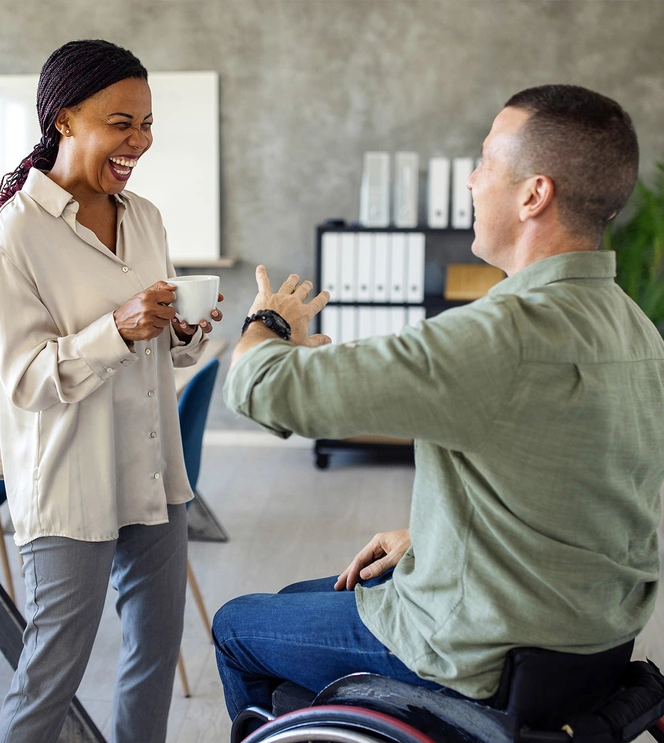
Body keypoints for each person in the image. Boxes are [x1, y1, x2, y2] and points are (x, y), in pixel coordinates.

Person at [212, 84, 664, 719]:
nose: (473, 181)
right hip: (587, 644)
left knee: (237, 625)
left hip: (472, 650)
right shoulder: (636, 329)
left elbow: (259, 387)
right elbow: (577, 486)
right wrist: (430, 537)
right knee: (303, 596)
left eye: (484, 162)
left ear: (534, 194)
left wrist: (269, 321)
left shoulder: (499, 336)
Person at [0, 39, 223, 743]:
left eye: (147, 125)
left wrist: (185, 329)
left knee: (151, 659)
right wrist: (114, 328)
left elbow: (166, 353)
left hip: (153, 475)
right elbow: (25, 379)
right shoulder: (14, 237)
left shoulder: (143, 216)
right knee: (51, 670)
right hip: (68, 481)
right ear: (64, 120)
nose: (138, 142)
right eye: (122, 123)